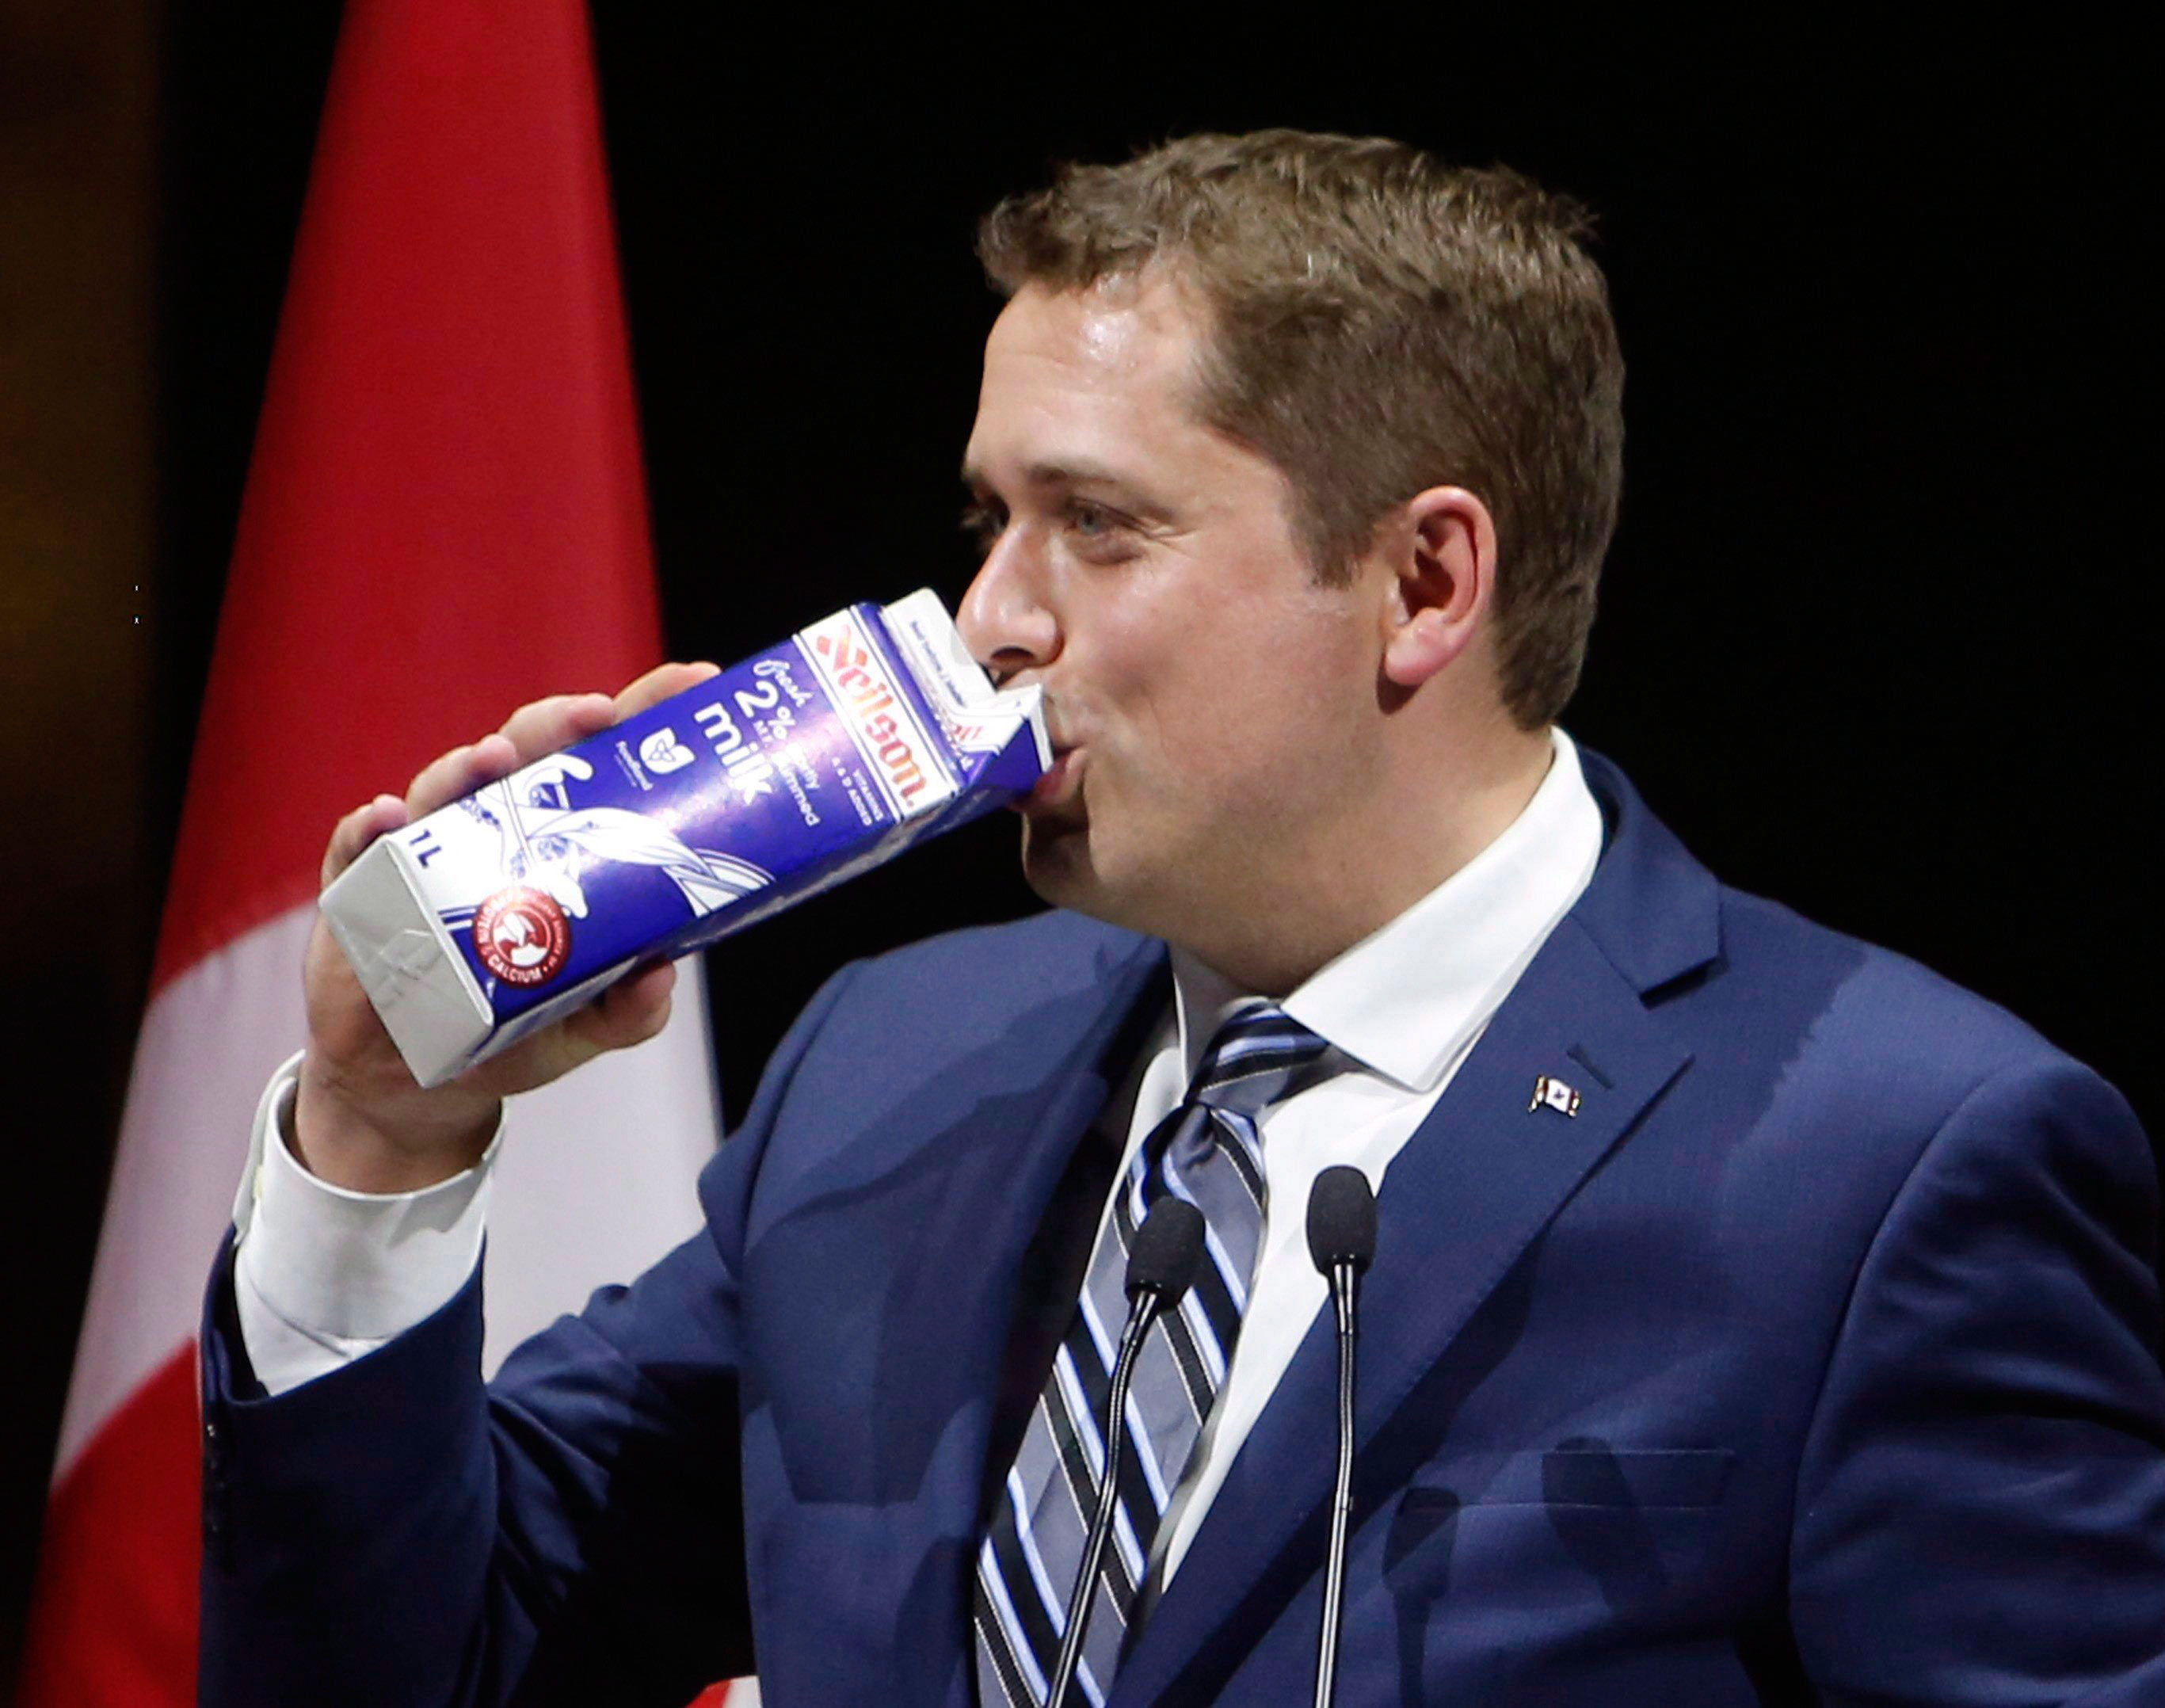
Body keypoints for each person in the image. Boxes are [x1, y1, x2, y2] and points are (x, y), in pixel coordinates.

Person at [199, 131, 2165, 1706]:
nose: (988, 623)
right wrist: (383, 1130)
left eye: (1099, 525)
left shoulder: (1895, 1163)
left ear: (1421, 582)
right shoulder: (891, 1062)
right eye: (989, 521)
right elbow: (416, 1661)